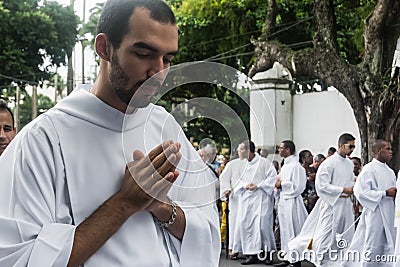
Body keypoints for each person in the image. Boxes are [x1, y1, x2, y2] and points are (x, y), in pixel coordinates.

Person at [0, 1, 220, 266]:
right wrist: (124, 202)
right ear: (105, 48)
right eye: (143, 54)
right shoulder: (43, 140)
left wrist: (161, 207)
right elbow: (21, 257)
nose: (159, 73)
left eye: (168, 59)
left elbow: (207, 229)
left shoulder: (165, 126)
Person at [288, 133, 356, 266]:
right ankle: (318, 260)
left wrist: (353, 188)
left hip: (345, 205)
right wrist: (342, 190)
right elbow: (322, 186)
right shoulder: (329, 163)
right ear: (341, 145)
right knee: (324, 236)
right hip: (331, 205)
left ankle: (339, 263)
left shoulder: (349, 164)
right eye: (350, 146)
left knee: (345, 235)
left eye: (354, 147)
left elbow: (349, 181)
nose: (352, 149)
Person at [343, 140, 396, 267]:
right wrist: (383, 194)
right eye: (387, 149)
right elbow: (360, 191)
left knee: (389, 242)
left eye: (390, 149)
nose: (391, 152)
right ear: (378, 151)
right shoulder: (369, 169)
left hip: (389, 212)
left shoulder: (390, 171)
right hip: (375, 213)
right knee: (373, 242)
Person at [229, 140, 277, 265]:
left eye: (241, 149)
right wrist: (245, 185)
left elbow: (272, 177)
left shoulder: (264, 163)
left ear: (248, 151)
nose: (238, 152)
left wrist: (259, 185)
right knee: (247, 225)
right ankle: (251, 254)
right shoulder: (241, 165)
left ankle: (268, 254)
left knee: (263, 226)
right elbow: (236, 180)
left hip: (262, 198)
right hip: (246, 199)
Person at [274, 140, 308, 267]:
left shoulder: (296, 166)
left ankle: (295, 260)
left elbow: (299, 186)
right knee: (285, 229)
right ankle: (287, 257)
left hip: (293, 202)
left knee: (293, 229)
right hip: (284, 200)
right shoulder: (286, 165)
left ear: (288, 150)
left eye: (281, 148)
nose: (279, 150)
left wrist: (281, 184)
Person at [220, 143, 246, 260]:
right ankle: (233, 248)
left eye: (241, 149)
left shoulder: (255, 164)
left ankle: (250, 250)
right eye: (238, 148)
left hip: (251, 198)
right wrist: (226, 190)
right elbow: (224, 178)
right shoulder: (232, 164)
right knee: (235, 223)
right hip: (236, 198)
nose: (238, 151)